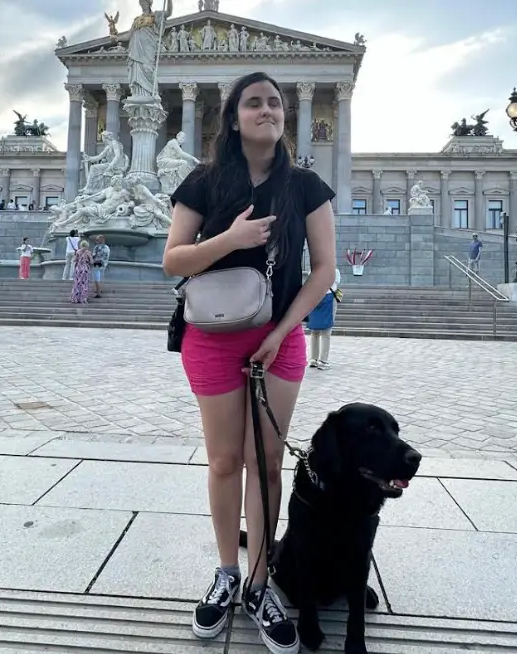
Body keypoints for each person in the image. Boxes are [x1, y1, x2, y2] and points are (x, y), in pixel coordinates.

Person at [163, 71, 337, 654]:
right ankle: (227, 573)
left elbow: (324, 270)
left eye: (275, 103)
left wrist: (283, 331)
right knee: (223, 461)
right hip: (211, 335)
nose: (268, 110)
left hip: (279, 337)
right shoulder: (204, 182)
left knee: (266, 464)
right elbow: (173, 261)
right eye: (254, 103)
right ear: (233, 118)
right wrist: (231, 240)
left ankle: (260, 584)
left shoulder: (306, 186)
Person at [307, 266, 341, 370]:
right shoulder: (334, 271)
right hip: (329, 299)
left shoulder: (312, 270)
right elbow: (337, 282)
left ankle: (313, 359)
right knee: (326, 332)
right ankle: (323, 360)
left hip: (315, 298)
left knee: (314, 332)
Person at [70, 238, 93, 304]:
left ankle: (75, 298)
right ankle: (83, 298)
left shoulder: (78, 251)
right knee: (84, 284)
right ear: (87, 245)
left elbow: (75, 260)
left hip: (78, 269)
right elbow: (91, 262)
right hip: (84, 269)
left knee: (77, 284)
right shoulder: (88, 252)